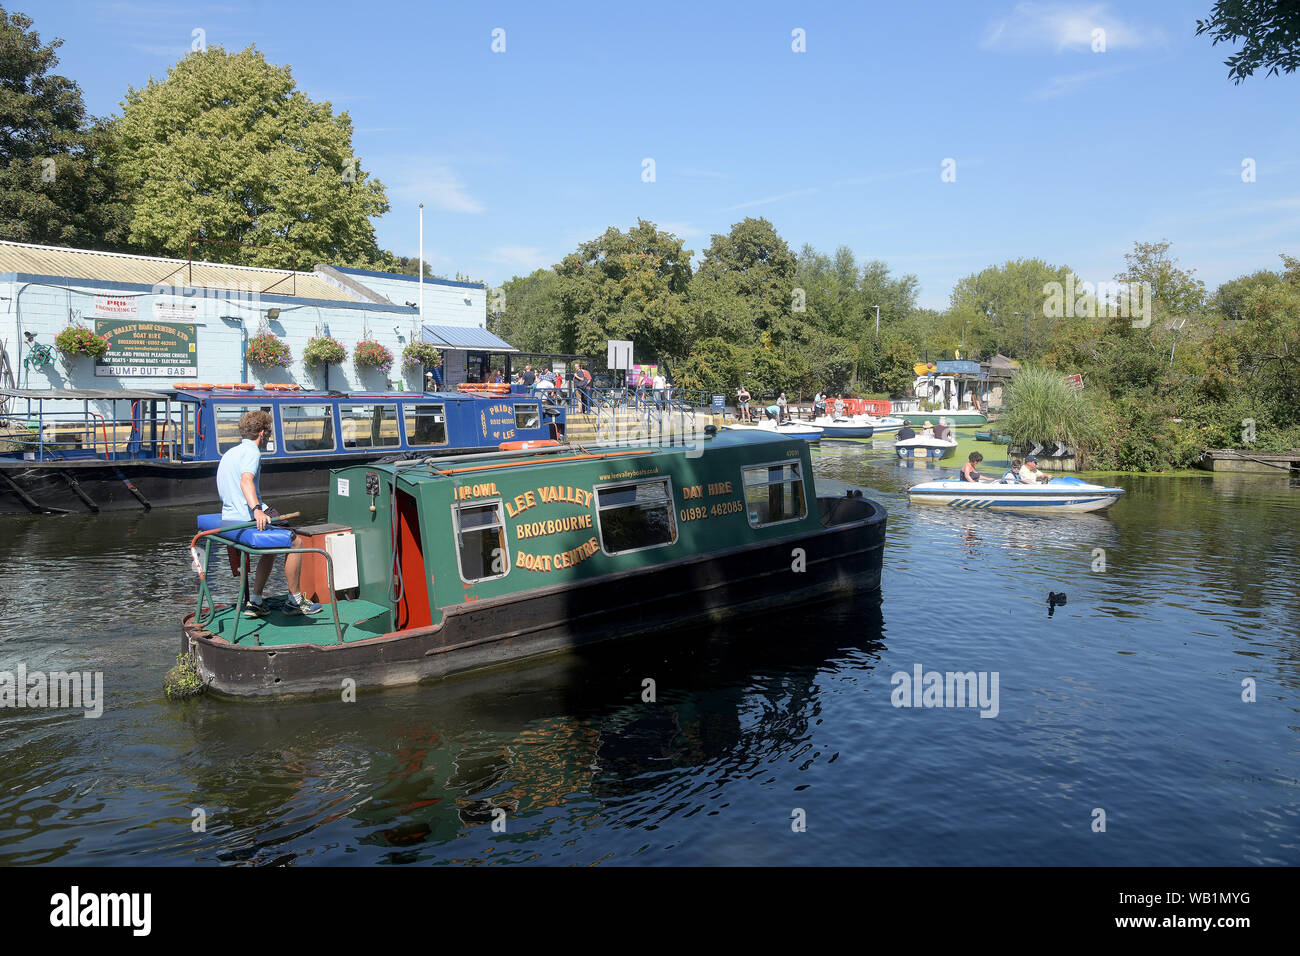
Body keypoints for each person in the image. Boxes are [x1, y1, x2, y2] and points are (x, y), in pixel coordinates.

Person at [216, 410, 322, 618]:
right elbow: (246, 481)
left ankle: (255, 601)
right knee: (295, 542)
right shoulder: (252, 452)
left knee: (273, 546)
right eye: (269, 433)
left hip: (229, 515)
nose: (270, 437)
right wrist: (257, 510)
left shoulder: (230, 453)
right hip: (246, 515)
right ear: (262, 433)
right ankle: (295, 601)